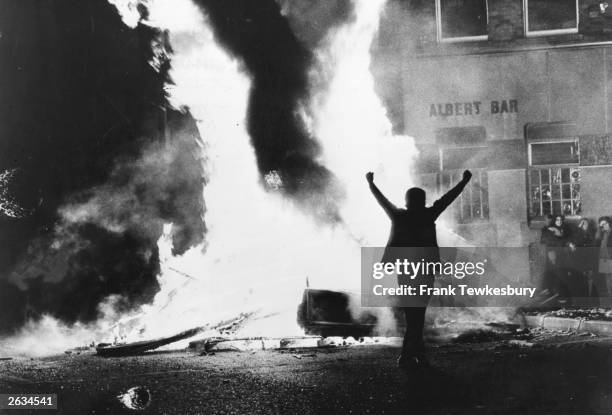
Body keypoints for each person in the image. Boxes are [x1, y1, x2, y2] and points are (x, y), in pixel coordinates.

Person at [366, 169, 472, 372]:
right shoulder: (428, 214)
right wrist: (463, 181)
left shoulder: (398, 216)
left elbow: (382, 201)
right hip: (425, 272)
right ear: (422, 201)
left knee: (413, 317)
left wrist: (371, 184)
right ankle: (411, 356)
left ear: (407, 201)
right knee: (418, 316)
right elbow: (448, 198)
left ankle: (411, 356)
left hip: (406, 273)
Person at [595, 216, 612, 301]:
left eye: (606, 223)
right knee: (607, 276)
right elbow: (596, 239)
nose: (604, 225)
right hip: (604, 257)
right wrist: (599, 227)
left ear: (609, 223)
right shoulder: (601, 232)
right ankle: (610, 294)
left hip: (611, 256)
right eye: (602, 224)